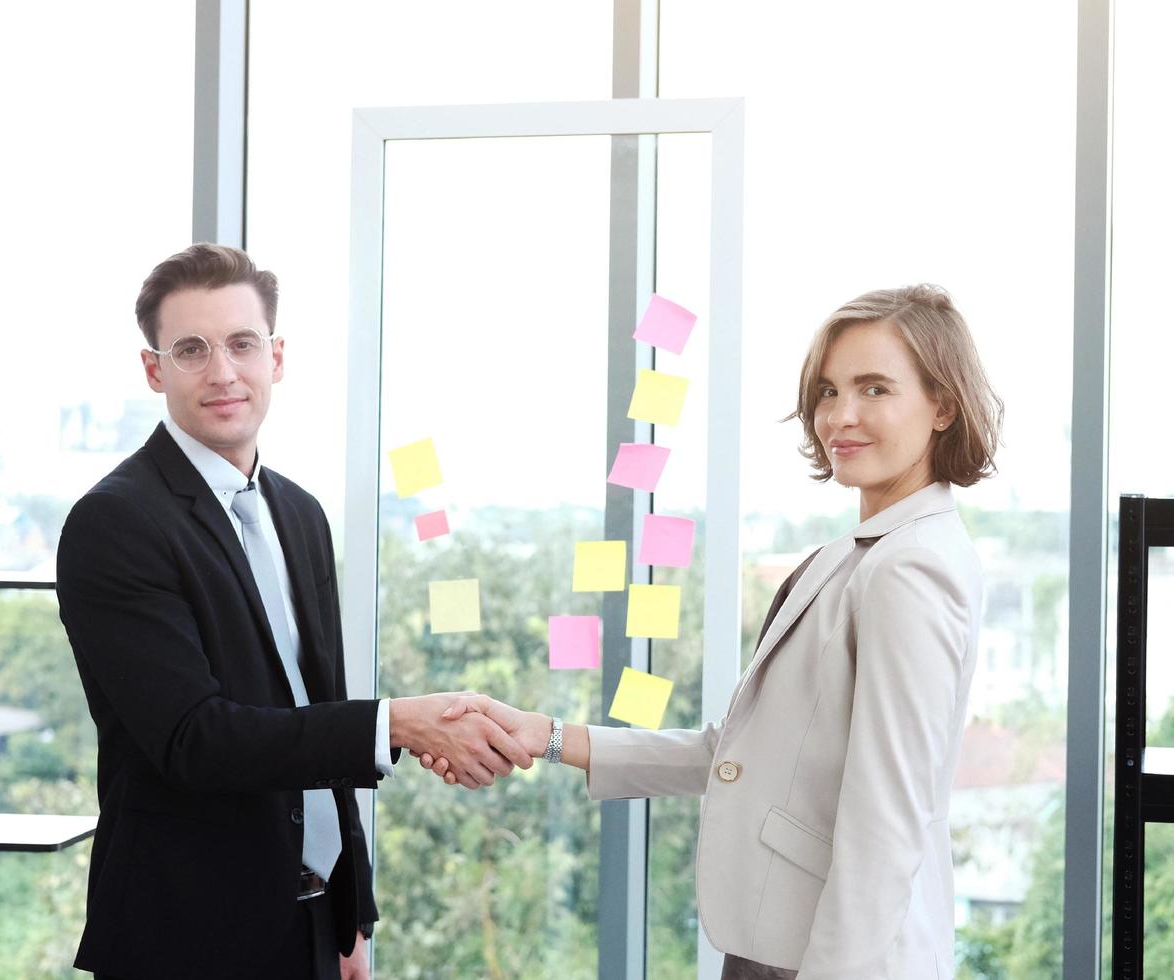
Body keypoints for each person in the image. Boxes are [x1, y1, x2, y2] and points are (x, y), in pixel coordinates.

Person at [429, 284, 1004, 979]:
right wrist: (547, 736)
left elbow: (886, 826)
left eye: (875, 389)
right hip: (780, 945)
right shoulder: (857, 558)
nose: (840, 416)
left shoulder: (910, 570)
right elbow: (734, 755)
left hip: (829, 960)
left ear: (943, 405)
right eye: (827, 391)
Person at [56, 243, 530, 980]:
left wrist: (351, 914)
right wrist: (398, 722)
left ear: (276, 357)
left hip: (311, 926)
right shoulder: (115, 523)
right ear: (154, 370)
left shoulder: (300, 513)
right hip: (184, 939)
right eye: (191, 350)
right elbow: (195, 738)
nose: (223, 372)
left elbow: (315, 710)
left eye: (242, 344)